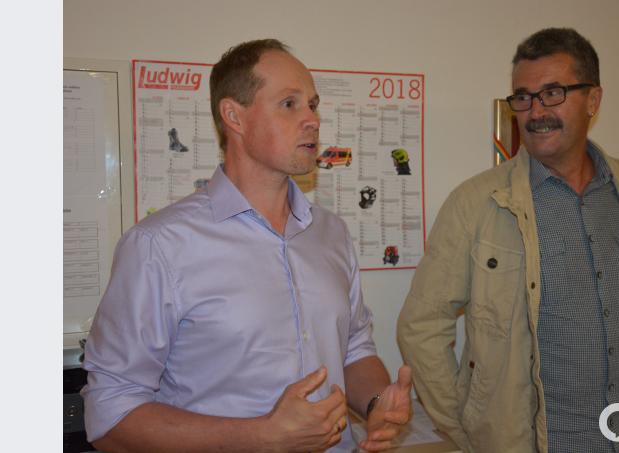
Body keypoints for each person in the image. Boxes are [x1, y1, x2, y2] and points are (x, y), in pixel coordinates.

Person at [82, 39, 412, 453]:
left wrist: (378, 402)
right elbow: (110, 416)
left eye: (313, 105)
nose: (312, 119)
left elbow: (354, 350)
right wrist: (262, 436)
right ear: (233, 116)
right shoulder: (158, 246)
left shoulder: (331, 233)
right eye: (289, 104)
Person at [397, 28, 619, 452]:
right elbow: (421, 326)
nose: (535, 112)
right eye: (523, 97)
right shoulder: (477, 204)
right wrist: (468, 428)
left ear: (593, 100)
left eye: (552, 93)